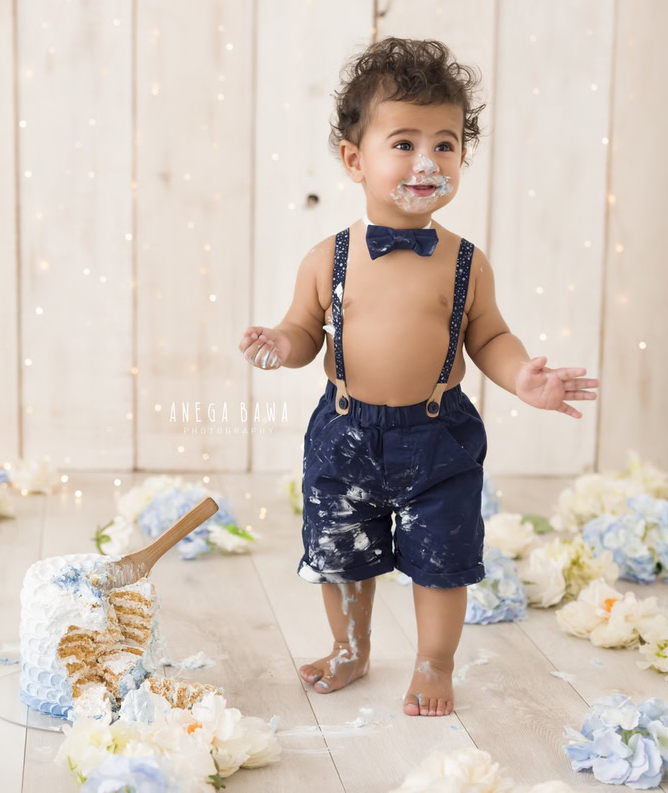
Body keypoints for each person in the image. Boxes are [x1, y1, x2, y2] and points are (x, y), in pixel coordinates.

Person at [238, 37, 599, 717]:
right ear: (354, 160)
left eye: (445, 144)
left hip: (439, 437)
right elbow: (304, 334)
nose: (427, 161)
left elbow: (489, 334)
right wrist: (277, 345)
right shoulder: (329, 258)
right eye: (403, 143)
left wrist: (522, 376)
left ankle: (435, 662)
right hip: (345, 433)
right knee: (342, 554)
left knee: (443, 558)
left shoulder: (466, 262)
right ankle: (351, 649)